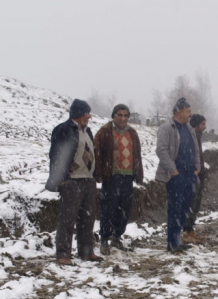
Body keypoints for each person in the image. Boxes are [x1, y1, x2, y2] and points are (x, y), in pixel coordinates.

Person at [45, 99, 103, 265]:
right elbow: (56, 154)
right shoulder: (63, 129)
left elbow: (92, 152)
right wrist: (61, 178)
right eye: (87, 113)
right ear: (79, 114)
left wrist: (96, 174)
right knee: (67, 219)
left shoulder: (88, 131)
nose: (90, 116)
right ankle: (63, 253)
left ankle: (86, 251)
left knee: (88, 218)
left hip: (88, 181)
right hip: (71, 181)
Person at [94, 104, 144, 255]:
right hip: (112, 177)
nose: (123, 118)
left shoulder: (132, 133)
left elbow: (137, 154)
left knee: (124, 208)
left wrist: (138, 172)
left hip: (128, 176)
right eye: (119, 115)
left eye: (126, 115)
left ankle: (117, 236)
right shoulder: (105, 132)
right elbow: (97, 153)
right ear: (113, 116)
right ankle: (104, 239)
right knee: (109, 208)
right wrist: (99, 173)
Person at [154, 98, 201, 253]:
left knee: (185, 208)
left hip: (189, 174)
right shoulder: (167, 128)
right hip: (176, 175)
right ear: (179, 112)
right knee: (175, 208)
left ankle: (177, 240)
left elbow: (196, 149)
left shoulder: (189, 129)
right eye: (188, 111)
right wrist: (173, 170)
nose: (190, 114)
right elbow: (161, 150)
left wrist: (197, 167)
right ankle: (172, 242)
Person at [182, 113, 208, 245]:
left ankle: (189, 230)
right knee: (191, 203)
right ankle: (186, 232)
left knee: (195, 203)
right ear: (197, 125)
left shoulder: (197, 136)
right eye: (203, 124)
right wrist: (196, 171)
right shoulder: (192, 137)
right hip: (194, 175)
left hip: (198, 174)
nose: (205, 127)